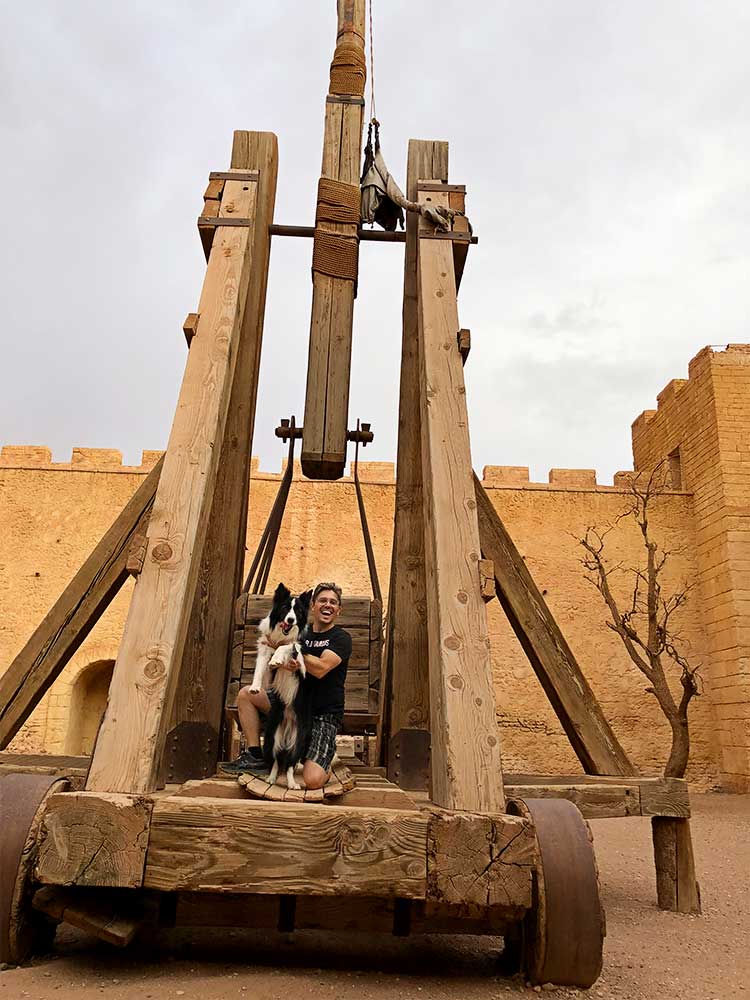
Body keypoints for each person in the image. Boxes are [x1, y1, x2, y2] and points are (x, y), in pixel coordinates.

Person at [221, 582, 351, 789]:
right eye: (323, 601)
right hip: (289, 704)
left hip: (321, 715)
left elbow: (321, 668)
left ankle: (323, 756)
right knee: (246, 694)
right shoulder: (298, 631)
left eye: (333, 603)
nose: (328, 605)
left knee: (313, 780)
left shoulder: (340, 638)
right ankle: (256, 756)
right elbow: (274, 658)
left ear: (338, 610)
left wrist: (293, 652)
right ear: (312, 606)